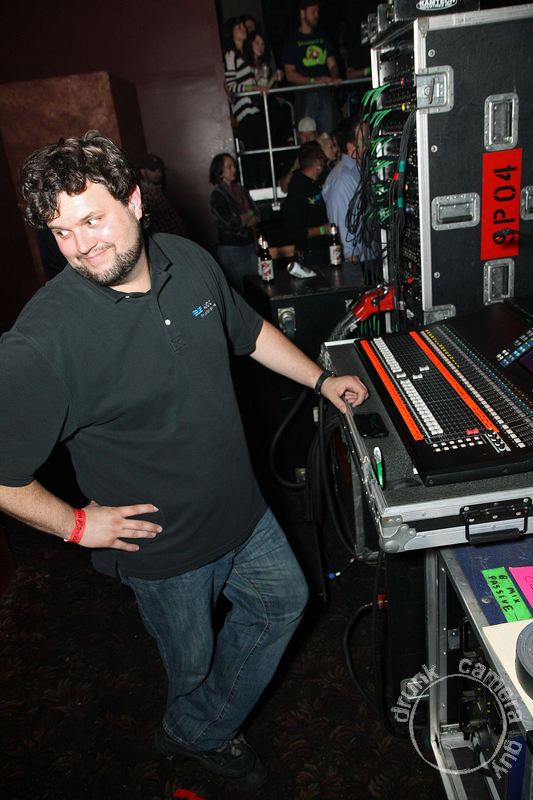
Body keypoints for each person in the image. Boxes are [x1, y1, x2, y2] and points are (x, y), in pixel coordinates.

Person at [0, 131, 369, 792]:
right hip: (164, 552)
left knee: (285, 602)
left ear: (133, 201)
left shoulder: (188, 259)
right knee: (192, 665)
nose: (80, 247)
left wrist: (319, 379)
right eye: (61, 232)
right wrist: (78, 526)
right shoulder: (43, 341)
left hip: (243, 512)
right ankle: (203, 730)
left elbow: (247, 331)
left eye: (92, 220)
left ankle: (193, 731)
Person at [323, 116, 378, 264]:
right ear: (351, 146)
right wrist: (357, 275)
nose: (371, 141)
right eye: (365, 138)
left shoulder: (365, 171)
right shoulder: (341, 181)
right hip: (361, 265)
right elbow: (345, 241)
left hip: (374, 259)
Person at [282, 0, 341, 134]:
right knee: (308, 138)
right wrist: (314, 80)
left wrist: (334, 76)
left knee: (328, 137)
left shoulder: (323, 37)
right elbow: (290, 74)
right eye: (313, 11)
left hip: (324, 94)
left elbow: (333, 65)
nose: (316, 15)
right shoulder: (292, 41)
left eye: (317, 11)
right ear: (303, 13)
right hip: (305, 96)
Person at [222, 17, 268, 187]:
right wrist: (254, 87)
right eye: (238, 27)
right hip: (244, 109)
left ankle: (261, 182)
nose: (243, 29)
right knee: (255, 147)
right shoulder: (231, 54)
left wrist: (260, 79)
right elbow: (231, 85)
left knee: (260, 146)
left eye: (243, 26)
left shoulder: (245, 55)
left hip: (253, 107)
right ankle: (256, 183)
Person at [208, 152, 260, 294]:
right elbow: (233, 222)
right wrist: (248, 215)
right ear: (220, 171)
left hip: (249, 244)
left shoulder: (240, 190)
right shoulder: (217, 195)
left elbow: (257, 213)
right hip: (232, 248)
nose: (234, 170)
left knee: (256, 287)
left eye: (234, 166)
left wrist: (245, 217)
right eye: (229, 167)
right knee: (240, 291)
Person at [282, 140, 330, 267]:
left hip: (324, 248)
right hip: (309, 253)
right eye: (323, 158)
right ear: (317, 162)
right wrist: (322, 229)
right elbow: (293, 232)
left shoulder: (321, 180)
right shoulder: (298, 188)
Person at [138, 153, 188, 237]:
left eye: (159, 169)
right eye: (153, 170)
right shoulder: (146, 193)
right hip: (169, 240)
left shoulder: (156, 188)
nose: (158, 173)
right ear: (143, 171)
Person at [278, 116, 317, 194]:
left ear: (316, 134)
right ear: (298, 135)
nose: (307, 139)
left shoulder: (322, 155)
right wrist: (293, 168)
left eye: (310, 135)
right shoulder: (292, 156)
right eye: (304, 135)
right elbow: (284, 188)